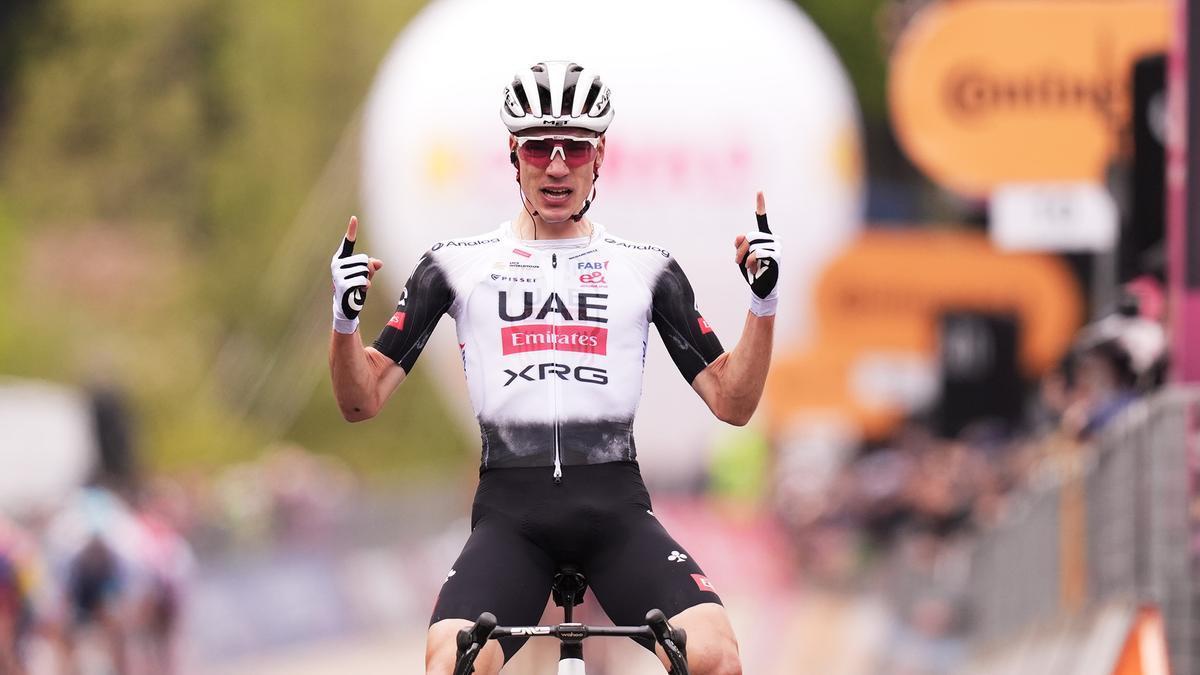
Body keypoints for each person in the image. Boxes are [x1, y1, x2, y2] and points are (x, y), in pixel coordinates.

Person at [329, 61, 779, 675]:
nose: (558, 164)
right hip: (512, 519)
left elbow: (734, 402)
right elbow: (362, 401)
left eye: (576, 148)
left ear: (601, 157)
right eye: (540, 147)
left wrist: (762, 304)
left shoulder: (646, 268)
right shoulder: (455, 266)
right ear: (514, 155)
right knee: (450, 662)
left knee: (714, 655)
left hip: (616, 513)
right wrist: (345, 325)